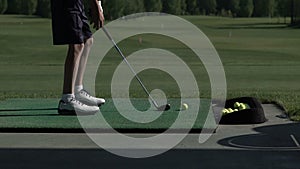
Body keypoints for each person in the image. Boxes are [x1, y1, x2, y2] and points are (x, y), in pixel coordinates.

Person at [50, 0, 105, 115]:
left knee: (87, 40)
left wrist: (98, 6)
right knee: (76, 45)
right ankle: (67, 100)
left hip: (76, 3)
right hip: (66, 3)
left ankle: (77, 90)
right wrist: (95, 7)